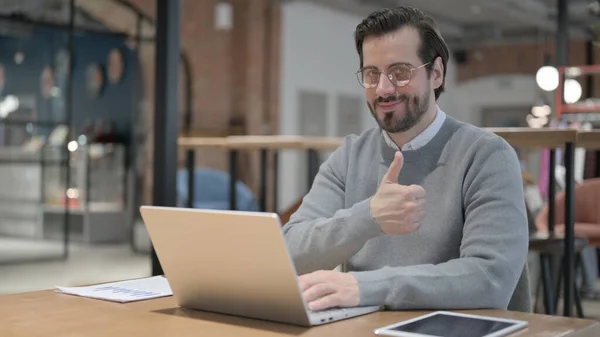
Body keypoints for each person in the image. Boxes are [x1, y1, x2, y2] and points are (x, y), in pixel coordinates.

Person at [281, 6, 530, 313]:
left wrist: (366, 287)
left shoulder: (487, 156)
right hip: (365, 328)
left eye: (400, 73)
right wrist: (369, 217)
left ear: (436, 73)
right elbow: (289, 253)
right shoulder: (349, 156)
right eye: (372, 74)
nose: (384, 88)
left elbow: (489, 279)